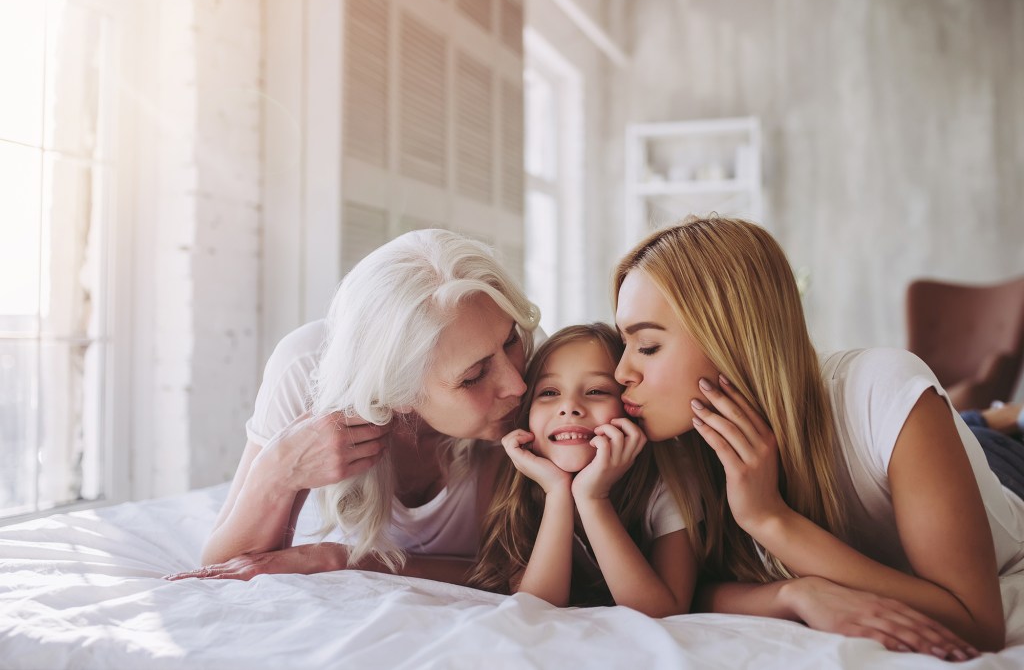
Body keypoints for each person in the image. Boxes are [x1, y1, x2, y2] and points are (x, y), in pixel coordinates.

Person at [612, 215, 1020, 658]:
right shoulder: (685, 442)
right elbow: (688, 592)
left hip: (1008, 469)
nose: (621, 373)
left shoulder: (881, 385)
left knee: (985, 433)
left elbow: (977, 627)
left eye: (647, 347)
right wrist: (795, 594)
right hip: (909, 443)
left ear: (729, 337)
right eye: (623, 345)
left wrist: (770, 518)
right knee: (969, 422)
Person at [168, 229, 539, 582]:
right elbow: (224, 568)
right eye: (474, 376)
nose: (516, 384)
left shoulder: (544, 374)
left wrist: (343, 558)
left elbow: (520, 574)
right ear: (398, 394)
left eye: (509, 341)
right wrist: (278, 472)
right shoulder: (307, 367)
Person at [468, 324, 693, 617]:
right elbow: (535, 608)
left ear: (630, 408)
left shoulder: (669, 478)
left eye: (596, 391)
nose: (570, 407)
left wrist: (592, 498)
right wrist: (557, 492)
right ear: (527, 416)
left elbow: (662, 612)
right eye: (549, 392)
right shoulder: (521, 481)